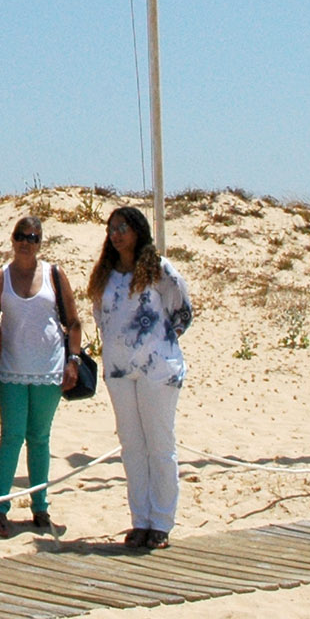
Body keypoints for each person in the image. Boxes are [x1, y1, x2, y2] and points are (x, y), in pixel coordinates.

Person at [89, 204, 194, 550]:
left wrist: (159, 342)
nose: (116, 234)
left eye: (123, 228)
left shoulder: (158, 269)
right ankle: (141, 519)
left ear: (137, 231)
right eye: (112, 228)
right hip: (119, 370)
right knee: (132, 445)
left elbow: (182, 309)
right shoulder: (105, 273)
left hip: (156, 369)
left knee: (159, 445)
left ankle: (161, 521)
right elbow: (100, 314)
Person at [0, 215, 84, 537]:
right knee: (11, 437)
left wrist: (74, 361)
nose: (26, 242)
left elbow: (74, 322)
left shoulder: (54, 275)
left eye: (33, 237)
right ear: (11, 239)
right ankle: (0, 509)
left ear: (41, 242)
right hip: (10, 371)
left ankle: (40, 507)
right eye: (21, 236)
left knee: (39, 438)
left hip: (49, 371)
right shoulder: (0, 278)